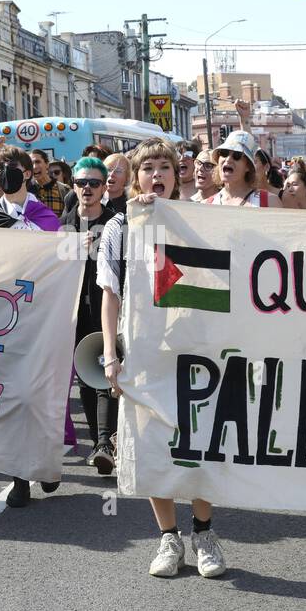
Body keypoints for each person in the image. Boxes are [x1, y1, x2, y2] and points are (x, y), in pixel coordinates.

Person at [99, 139, 227, 578]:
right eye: (148, 167)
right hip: (144, 355)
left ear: (178, 175)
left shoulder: (202, 222)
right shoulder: (120, 229)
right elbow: (110, 295)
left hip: (197, 353)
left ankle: (205, 532)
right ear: (136, 178)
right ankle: (168, 539)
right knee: (153, 447)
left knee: (200, 445)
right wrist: (111, 355)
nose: (157, 174)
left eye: (165, 168)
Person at [0, 145, 63, 507]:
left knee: (39, 394)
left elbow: (61, 265)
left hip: (42, 317)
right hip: (3, 317)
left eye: (11, 167)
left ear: (27, 173)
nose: (4, 173)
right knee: (12, 395)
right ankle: (18, 477)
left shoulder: (46, 217)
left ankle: (44, 462)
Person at [60, 156, 118, 475]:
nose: (87, 188)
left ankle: (104, 443)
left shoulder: (114, 222)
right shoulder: (63, 223)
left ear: (103, 187)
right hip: (72, 314)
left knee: (104, 376)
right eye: (81, 182)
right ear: (74, 186)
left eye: (94, 183)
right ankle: (100, 442)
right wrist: (70, 250)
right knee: (84, 377)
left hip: (104, 310)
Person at [204, 131, 281, 207]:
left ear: (248, 166)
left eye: (237, 155)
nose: (228, 159)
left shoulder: (269, 202)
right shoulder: (208, 204)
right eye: (224, 153)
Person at [28, 149, 70, 215]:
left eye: (38, 162)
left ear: (47, 164)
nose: (34, 167)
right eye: (31, 163)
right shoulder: (25, 192)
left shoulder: (64, 190)